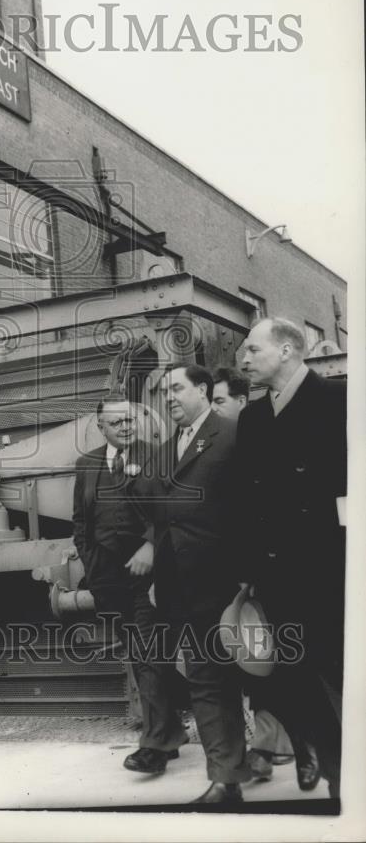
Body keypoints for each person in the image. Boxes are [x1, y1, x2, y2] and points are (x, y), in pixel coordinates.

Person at [130, 365, 251, 806]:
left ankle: (302, 758)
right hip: (182, 587)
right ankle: (225, 776)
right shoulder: (165, 451)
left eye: (177, 388)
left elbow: (252, 508)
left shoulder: (233, 435)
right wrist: (159, 578)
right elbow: (162, 522)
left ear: (202, 389)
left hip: (228, 584)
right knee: (205, 680)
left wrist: (249, 577)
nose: (170, 397)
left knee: (262, 677)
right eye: (165, 392)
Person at [237, 318, 346, 798]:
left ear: (286, 350)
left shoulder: (340, 402)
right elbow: (246, 498)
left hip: (331, 566)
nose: (243, 358)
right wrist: (249, 570)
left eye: (252, 349)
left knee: (339, 673)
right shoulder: (253, 417)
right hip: (275, 569)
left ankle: (342, 773)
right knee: (293, 674)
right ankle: (329, 763)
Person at [212, 365, 319, 788]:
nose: (215, 409)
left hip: (272, 570)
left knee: (279, 659)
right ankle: (266, 746)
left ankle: (281, 745)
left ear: (243, 402)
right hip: (233, 572)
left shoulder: (263, 438)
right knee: (252, 662)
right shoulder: (218, 446)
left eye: (220, 401)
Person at [72, 396, 189, 774]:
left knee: (149, 652)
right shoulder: (86, 464)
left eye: (130, 420)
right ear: (101, 426)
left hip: (150, 574)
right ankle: (170, 730)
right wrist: (91, 562)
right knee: (139, 654)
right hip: (108, 576)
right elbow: (81, 521)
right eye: (116, 422)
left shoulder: (158, 456)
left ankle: (154, 746)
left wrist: (151, 546)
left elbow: (173, 511)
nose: (126, 426)